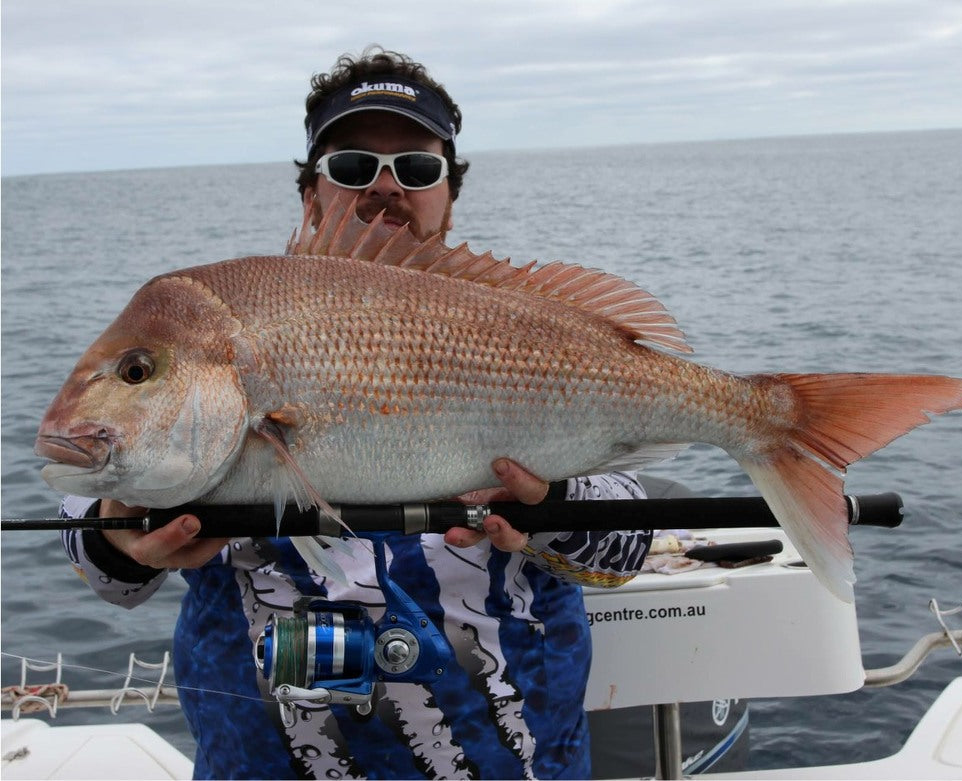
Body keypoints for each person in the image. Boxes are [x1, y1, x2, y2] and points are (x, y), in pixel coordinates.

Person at [60, 46, 652, 779]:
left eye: (416, 167)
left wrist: (552, 501)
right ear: (311, 195)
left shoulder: (530, 328)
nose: (384, 186)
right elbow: (106, 573)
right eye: (350, 166)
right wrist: (119, 538)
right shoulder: (220, 328)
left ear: (449, 194)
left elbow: (630, 543)